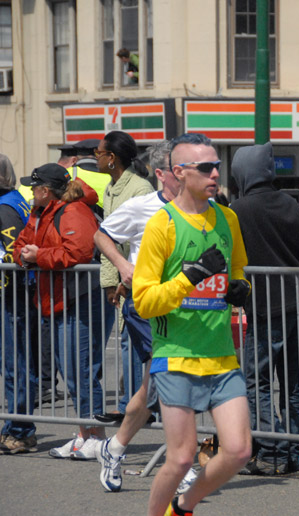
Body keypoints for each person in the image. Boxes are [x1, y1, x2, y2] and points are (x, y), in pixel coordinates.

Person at [133, 133, 251, 516]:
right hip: (177, 354)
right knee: (181, 458)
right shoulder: (161, 226)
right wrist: (190, 276)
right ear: (179, 173)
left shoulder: (228, 217)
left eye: (217, 165)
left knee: (238, 451)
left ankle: (182, 508)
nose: (215, 173)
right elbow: (145, 302)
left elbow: (237, 270)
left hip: (221, 353)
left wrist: (239, 289)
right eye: (205, 168)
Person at [94, 141, 197, 494]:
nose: (186, 174)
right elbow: (101, 234)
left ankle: (115, 447)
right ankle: (181, 463)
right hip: (145, 305)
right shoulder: (142, 206)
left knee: (151, 386)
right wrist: (123, 266)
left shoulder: (198, 207)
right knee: (171, 375)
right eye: (179, 168)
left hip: (183, 306)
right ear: (161, 173)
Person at [229, 142, 299, 475]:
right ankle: (292, 449)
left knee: (256, 380)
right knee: (292, 382)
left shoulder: (239, 209)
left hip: (265, 306)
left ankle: (271, 448)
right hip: (298, 304)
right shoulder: (290, 204)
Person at [14, 163, 111, 459]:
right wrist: (28, 255)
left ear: (45, 190)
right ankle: (86, 434)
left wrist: (38, 255)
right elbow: (20, 245)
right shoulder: (40, 213)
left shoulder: (73, 211)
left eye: (33, 188)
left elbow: (77, 252)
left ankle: (94, 436)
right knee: (73, 369)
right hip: (59, 298)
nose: (30, 193)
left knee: (79, 369)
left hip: (80, 298)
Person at [0, 151, 38, 455]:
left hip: (11, 297)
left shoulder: (7, 206)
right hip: (3, 295)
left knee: (15, 365)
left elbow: (16, 253)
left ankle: (20, 431)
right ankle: (16, 428)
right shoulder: (0, 203)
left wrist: (1, 284)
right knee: (9, 364)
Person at [96, 130, 154, 422]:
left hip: (134, 277)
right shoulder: (112, 186)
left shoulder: (140, 188)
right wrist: (110, 280)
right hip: (118, 276)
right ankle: (132, 405)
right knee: (126, 341)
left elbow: (140, 241)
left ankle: (134, 406)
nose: (95, 157)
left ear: (112, 158)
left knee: (136, 343)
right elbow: (107, 235)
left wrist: (121, 274)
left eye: (98, 152)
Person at [67, 139, 113, 217]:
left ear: (76, 157)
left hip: (77, 219)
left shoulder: (67, 173)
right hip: (107, 220)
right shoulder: (111, 174)